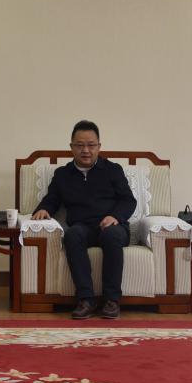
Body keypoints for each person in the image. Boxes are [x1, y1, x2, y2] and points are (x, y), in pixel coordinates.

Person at [32, 120, 136, 320]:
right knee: (73, 235)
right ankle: (86, 300)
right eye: (80, 145)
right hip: (83, 227)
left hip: (113, 226)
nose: (86, 150)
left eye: (91, 145)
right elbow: (52, 199)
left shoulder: (112, 170)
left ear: (99, 146)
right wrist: (43, 209)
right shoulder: (63, 174)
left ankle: (112, 300)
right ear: (71, 147)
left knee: (111, 236)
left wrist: (115, 216)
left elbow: (128, 200)